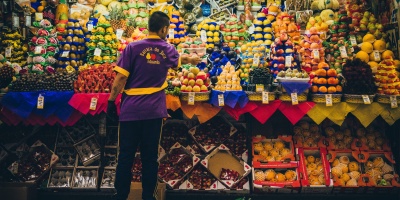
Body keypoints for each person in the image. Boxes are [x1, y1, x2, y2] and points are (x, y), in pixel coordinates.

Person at [107, 11, 180, 200]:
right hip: (154, 112)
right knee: (150, 159)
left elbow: (121, 77)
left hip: (130, 111)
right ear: (164, 28)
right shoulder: (169, 50)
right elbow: (177, 64)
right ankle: (149, 197)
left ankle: (120, 196)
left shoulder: (132, 47)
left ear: (149, 26)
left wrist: (110, 102)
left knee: (125, 157)